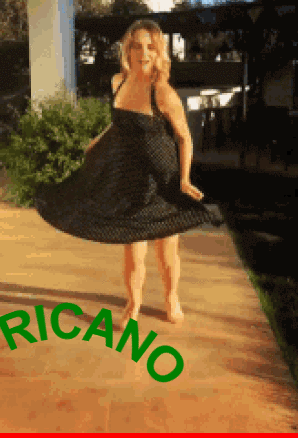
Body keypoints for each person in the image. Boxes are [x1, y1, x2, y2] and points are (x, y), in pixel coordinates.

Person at [34, 19, 224, 330]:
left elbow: (184, 137)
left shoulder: (162, 92)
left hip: (163, 180)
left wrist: (184, 179)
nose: (144, 53)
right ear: (128, 49)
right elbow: (119, 124)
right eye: (137, 46)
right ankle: (133, 303)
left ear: (159, 52)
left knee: (166, 252)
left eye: (151, 47)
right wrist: (96, 141)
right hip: (132, 180)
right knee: (133, 252)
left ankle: (171, 298)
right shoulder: (118, 83)